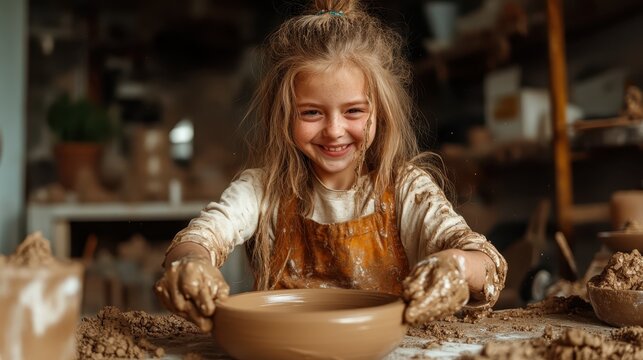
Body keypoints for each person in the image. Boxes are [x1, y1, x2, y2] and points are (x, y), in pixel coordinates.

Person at [155, 0, 507, 332]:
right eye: (311, 113)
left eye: (353, 111)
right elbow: (199, 238)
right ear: (283, 115)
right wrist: (190, 264)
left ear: (380, 112)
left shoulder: (406, 189)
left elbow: (484, 262)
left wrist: (457, 266)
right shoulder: (261, 190)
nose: (334, 131)